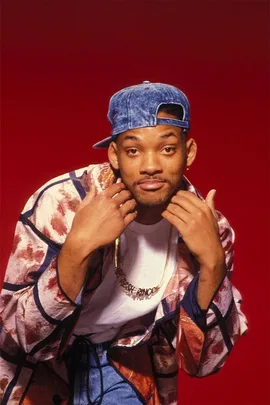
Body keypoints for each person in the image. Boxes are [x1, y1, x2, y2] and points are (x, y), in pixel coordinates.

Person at [0, 81, 247, 405]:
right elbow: (20, 339)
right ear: (114, 155)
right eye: (133, 150)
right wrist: (77, 250)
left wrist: (213, 263)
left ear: (189, 152)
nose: (150, 165)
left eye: (167, 148)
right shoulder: (63, 204)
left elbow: (203, 365)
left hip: (128, 365)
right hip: (42, 370)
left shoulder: (209, 229)